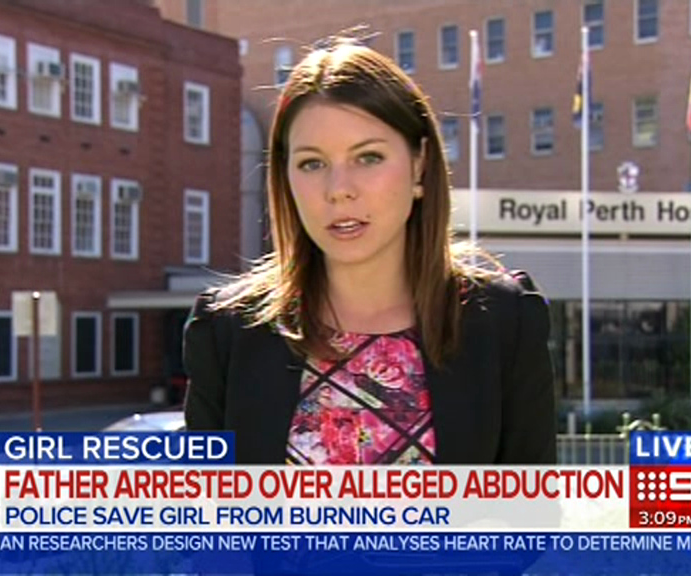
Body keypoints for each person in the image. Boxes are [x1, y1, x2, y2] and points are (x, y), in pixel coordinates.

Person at [183, 37, 556, 465]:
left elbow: (532, 502)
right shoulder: (227, 332)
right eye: (312, 163)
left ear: (419, 165)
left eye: (368, 157)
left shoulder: (504, 322)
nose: (339, 189)